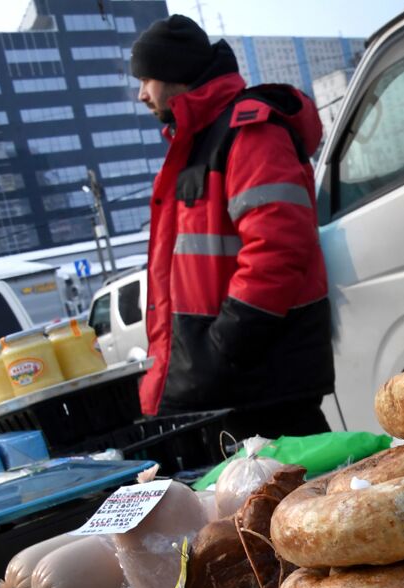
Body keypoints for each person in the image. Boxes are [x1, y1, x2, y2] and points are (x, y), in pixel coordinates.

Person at [131, 14, 335, 439]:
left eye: (146, 79)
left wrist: (224, 345)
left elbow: (278, 248)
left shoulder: (248, 132)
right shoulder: (196, 144)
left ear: (174, 74)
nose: (140, 94)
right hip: (234, 386)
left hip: (262, 386)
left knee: (297, 499)